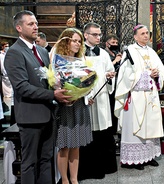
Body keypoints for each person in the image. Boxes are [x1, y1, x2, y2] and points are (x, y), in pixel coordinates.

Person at [4, 10, 70, 184]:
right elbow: (22, 86)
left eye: (36, 23)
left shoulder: (41, 51)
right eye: (30, 24)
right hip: (30, 117)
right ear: (19, 28)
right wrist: (52, 94)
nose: (36, 27)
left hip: (48, 114)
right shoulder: (14, 53)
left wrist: (65, 87)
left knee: (46, 160)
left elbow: (48, 79)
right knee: (30, 162)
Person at [114, 24, 164, 170]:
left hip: (151, 96)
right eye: (142, 33)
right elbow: (126, 75)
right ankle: (136, 160)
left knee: (150, 126)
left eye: (146, 33)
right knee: (137, 125)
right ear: (135, 36)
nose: (145, 36)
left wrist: (157, 75)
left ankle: (149, 156)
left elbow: (161, 70)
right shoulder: (130, 51)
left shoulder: (152, 51)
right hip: (136, 96)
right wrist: (147, 74)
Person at [49, 27, 94, 184]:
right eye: (74, 40)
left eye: (79, 41)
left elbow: (88, 82)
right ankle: (65, 180)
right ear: (65, 41)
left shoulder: (82, 61)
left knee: (76, 145)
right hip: (64, 106)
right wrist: (60, 89)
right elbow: (52, 82)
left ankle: (74, 180)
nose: (77, 44)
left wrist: (86, 93)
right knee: (64, 145)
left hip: (79, 106)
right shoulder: (56, 60)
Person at [78, 22, 117, 180]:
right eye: (95, 34)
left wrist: (109, 76)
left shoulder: (103, 53)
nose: (98, 37)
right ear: (86, 35)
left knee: (102, 131)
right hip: (85, 98)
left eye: (100, 34)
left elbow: (110, 70)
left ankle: (105, 166)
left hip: (101, 98)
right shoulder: (79, 53)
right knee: (87, 131)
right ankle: (87, 169)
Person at [0, 41, 12, 112]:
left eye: (8, 46)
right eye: (6, 46)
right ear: (2, 47)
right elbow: (2, 65)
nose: (7, 47)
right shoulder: (1, 55)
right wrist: (4, 72)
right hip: (4, 72)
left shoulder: (9, 54)